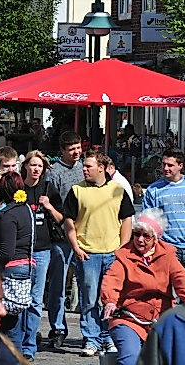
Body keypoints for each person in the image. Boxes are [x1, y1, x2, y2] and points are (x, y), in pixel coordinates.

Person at [100, 209, 185, 365]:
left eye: (146, 236)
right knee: (130, 359)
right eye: (136, 234)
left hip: (161, 319)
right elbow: (112, 279)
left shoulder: (167, 255)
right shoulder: (124, 255)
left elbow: (182, 280)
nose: (140, 239)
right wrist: (110, 301)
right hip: (128, 318)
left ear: (156, 238)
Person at [63, 149, 135, 356]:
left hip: (113, 253)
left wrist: (123, 247)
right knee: (89, 299)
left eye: (88, 166)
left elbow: (127, 220)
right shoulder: (77, 190)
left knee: (111, 299)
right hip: (87, 253)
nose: (84, 169)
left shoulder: (117, 190)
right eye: (84, 166)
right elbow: (69, 220)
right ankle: (91, 339)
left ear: (101, 168)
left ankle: (109, 337)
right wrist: (76, 247)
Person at [143, 147, 185, 285]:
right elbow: (148, 223)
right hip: (166, 251)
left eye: (170, 165)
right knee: (167, 298)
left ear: (180, 166)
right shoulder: (153, 190)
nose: (165, 168)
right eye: (163, 164)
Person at [0, 172, 35, 360]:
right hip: (25, 269)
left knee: (7, 327)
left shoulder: (8, 215)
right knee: (15, 322)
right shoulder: (27, 210)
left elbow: (6, 252)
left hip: (9, 272)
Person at [20, 150, 64, 359]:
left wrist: (48, 206)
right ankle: (17, 339)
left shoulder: (48, 189)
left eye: (40, 166)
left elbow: (61, 219)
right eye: (33, 165)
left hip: (42, 250)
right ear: (26, 166)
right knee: (18, 298)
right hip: (19, 250)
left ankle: (29, 345)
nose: (36, 169)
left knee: (35, 300)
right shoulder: (17, 188)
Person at [44, 131, 84, 349]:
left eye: (78, 148)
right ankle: (58, 327)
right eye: (71, 149)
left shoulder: (85, 168)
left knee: (88, 284)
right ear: (62, 151)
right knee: (59, 284)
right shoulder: (55, 173)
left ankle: (89, 330)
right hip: (61, 236)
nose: (76, 152)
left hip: (85, 234)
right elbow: (52, 205)